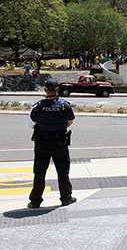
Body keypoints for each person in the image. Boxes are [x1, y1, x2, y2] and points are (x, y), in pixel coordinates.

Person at [27, 79, 76, 208]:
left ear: (45, 90)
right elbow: (70, 121)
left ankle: (35, 200)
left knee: (39, 172)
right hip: (60, 142)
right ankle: (66, 198)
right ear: (58, 90)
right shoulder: (65, 105)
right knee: (63, 171)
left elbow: (31, 124)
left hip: (42, 143)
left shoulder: (37, 106)